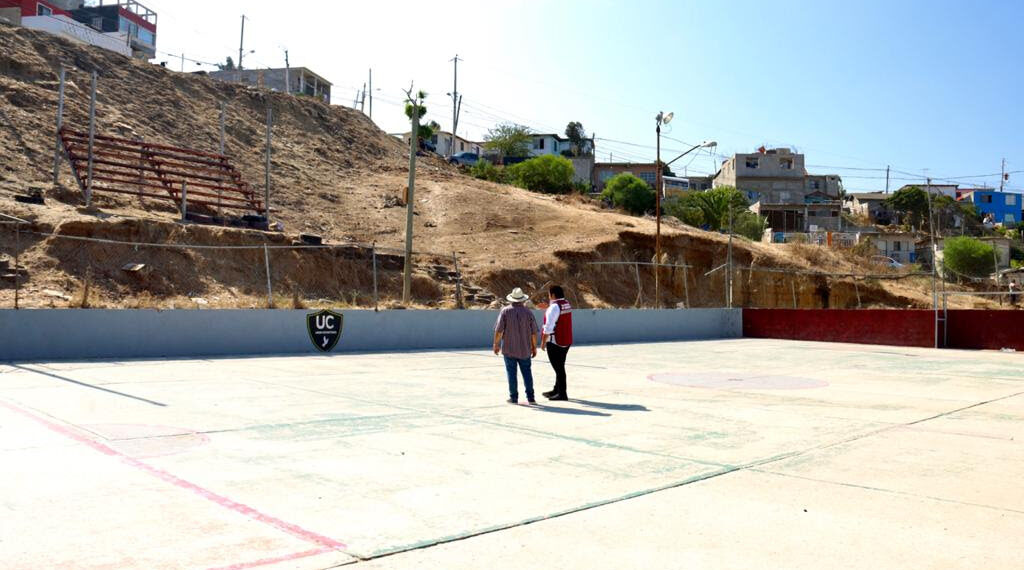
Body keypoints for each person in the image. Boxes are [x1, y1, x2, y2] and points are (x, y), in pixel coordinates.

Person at [493, 287, 539, 404]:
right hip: (525, 349)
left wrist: (496, 344)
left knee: (511, 373)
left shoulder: (505, 311)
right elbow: (534, 332)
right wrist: (534, 347)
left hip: (509, 349)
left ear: (511, 299)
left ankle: (514, 398)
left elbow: (499, 331)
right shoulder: (528, 312)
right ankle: (531, 398)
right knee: (527, 373)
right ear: (522, 299)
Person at [541, 285, 573, 401]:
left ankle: (562, 393)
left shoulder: (554, 307)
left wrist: (543, 342)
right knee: (560, 366)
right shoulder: (566, 303)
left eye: (549, 294)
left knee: (558, 368)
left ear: (553, 295)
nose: (548, 296)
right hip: (566, 340)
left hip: (555, 341)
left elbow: (548, 327)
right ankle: (557, 389)